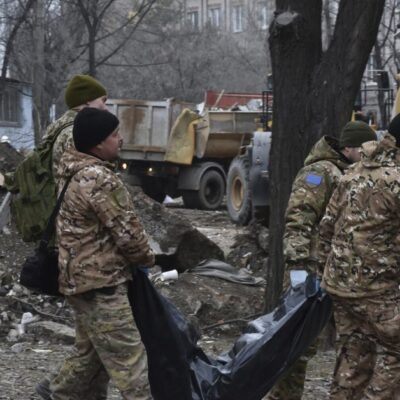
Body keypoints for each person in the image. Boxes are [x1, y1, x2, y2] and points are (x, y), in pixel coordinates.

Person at [48, 107, 154, 400]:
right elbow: (128, 234)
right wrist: (147, 260)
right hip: (101, 284)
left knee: (90, 359)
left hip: (78, 281)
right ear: (97, 143)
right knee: (130, 362)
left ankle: (59, 394)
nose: (120, 139)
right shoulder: (98, 179)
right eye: (114, 134)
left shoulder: (70, 171)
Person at [267, 121, 377, 400]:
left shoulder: (349, 173)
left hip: (337, 272)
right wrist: (297, 267)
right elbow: (298, 219)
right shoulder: (319, 173)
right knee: (299, 345)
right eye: (365, 148)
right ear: (350, 148)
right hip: (311, 270)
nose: (369, 154)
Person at [36, 74, 109, 400]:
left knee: (92, 335)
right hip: (83, 247)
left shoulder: (62, 129)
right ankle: (57, 390)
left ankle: (78, 392)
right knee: (94, 335)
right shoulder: (73, 135)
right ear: (85, 102)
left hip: (76, 244)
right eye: (102, 101)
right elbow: (81, 190)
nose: (106, 105)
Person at [319, 115, 400, 400]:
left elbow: (326, 227)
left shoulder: (351, 174)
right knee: (395, 350)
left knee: (354, 354)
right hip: (376, 289)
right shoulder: (396, 180)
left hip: (340, 286)